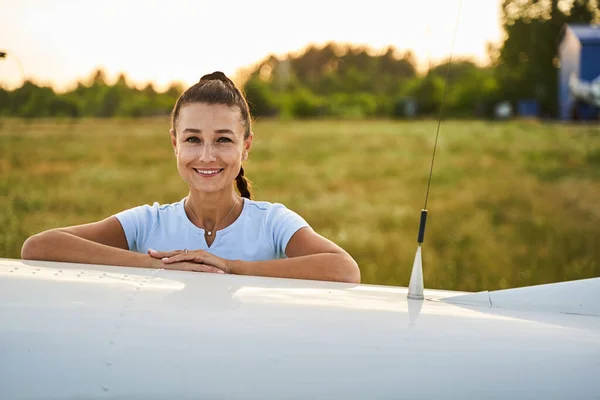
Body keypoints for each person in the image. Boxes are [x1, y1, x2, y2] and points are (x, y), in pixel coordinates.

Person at [21, 72, 360, 284]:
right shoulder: (147, 223)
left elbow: (344, 269)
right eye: (193, 139)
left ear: (246, 147)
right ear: (175, 144)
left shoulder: (273, 222)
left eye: (224, 139)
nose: (207, 156)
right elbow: (38, 246)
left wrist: (229, 267)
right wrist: (158, 265)